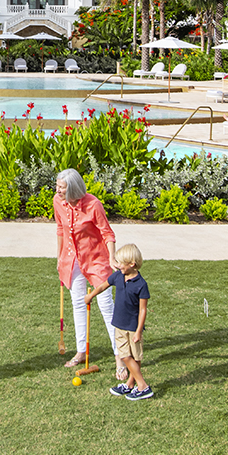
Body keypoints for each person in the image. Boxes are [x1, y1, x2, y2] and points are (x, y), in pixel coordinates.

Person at [53, 169, 118, 373]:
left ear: (73, 188)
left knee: (106, 306)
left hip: (96, 260)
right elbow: (60, 229)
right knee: (78, 304)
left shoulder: (93, 204)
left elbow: (107, 232)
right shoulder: (58, 201)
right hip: (72, 260)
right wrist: (59, 257)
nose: (58, 190)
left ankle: (120, 356)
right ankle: (81, 351)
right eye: (57, 186)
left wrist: (112, 257)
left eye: (62, 187)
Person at [107, 242, 152, 400]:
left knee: (135, 357)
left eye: (120, 263)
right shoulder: (119, 276)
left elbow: (143, 310)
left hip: (133, 327)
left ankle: (142, 386)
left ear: (132, 264)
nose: (117, 265)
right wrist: (90, 296)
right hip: (119, 324)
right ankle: (132, 384)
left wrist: (139, 331)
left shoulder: (141, 285)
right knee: (125, 356)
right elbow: (104, 285)